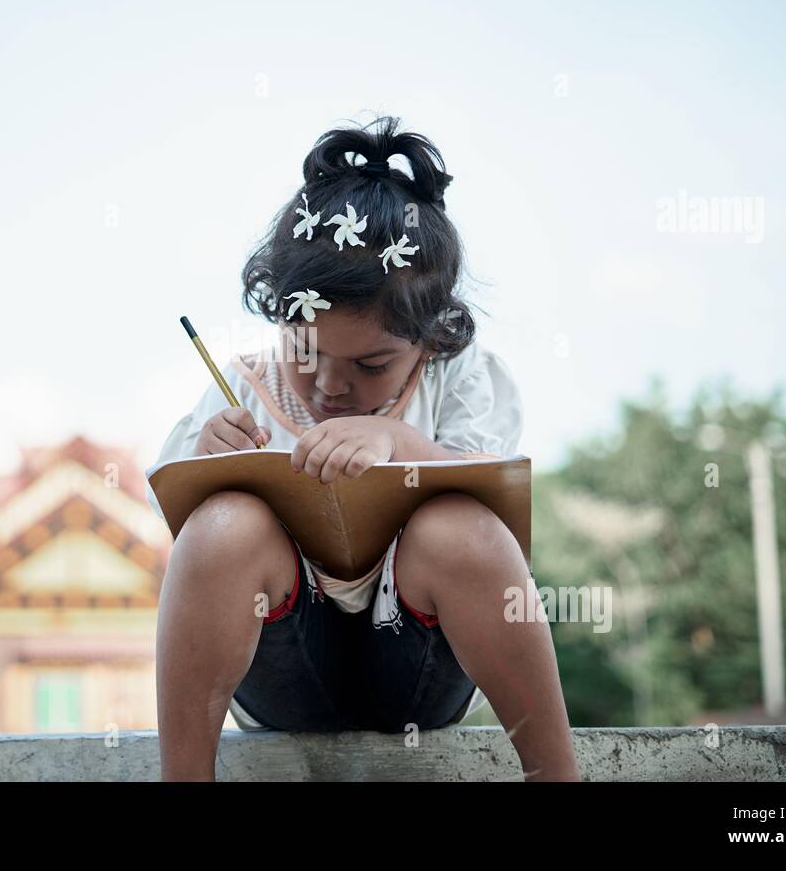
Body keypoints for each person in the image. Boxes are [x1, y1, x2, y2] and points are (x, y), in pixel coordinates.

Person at [146, 115, 580, 782]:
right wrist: (210, 457)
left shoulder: (456, 377)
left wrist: (402, 443)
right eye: (307, 352)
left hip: (420, 666)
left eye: (371, 365)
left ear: (430, 338)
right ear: (278, 314)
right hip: (280, 663)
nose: (330, 385)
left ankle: (556, 775)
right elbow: (179, 521)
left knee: (462, 526)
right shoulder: (243, 385)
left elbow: (499, 493)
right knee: (220, 525)